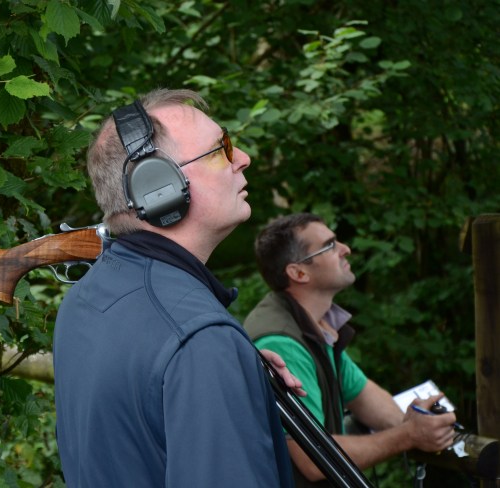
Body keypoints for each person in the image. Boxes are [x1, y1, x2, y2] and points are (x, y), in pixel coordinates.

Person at [53, 89, 302, 487]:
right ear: (159, 185)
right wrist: (213, 359)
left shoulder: (86, 298)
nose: (242, 158)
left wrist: (232, 369)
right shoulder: (199, 340)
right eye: (221, 150)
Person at [244, 212, 459, 487]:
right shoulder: (282, 343)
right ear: (299, 273)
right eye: (330, 245)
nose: (345, 249)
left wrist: (418, 422)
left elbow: (366, 398)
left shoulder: (314, 326)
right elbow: (313, 459)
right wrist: (409, 435)